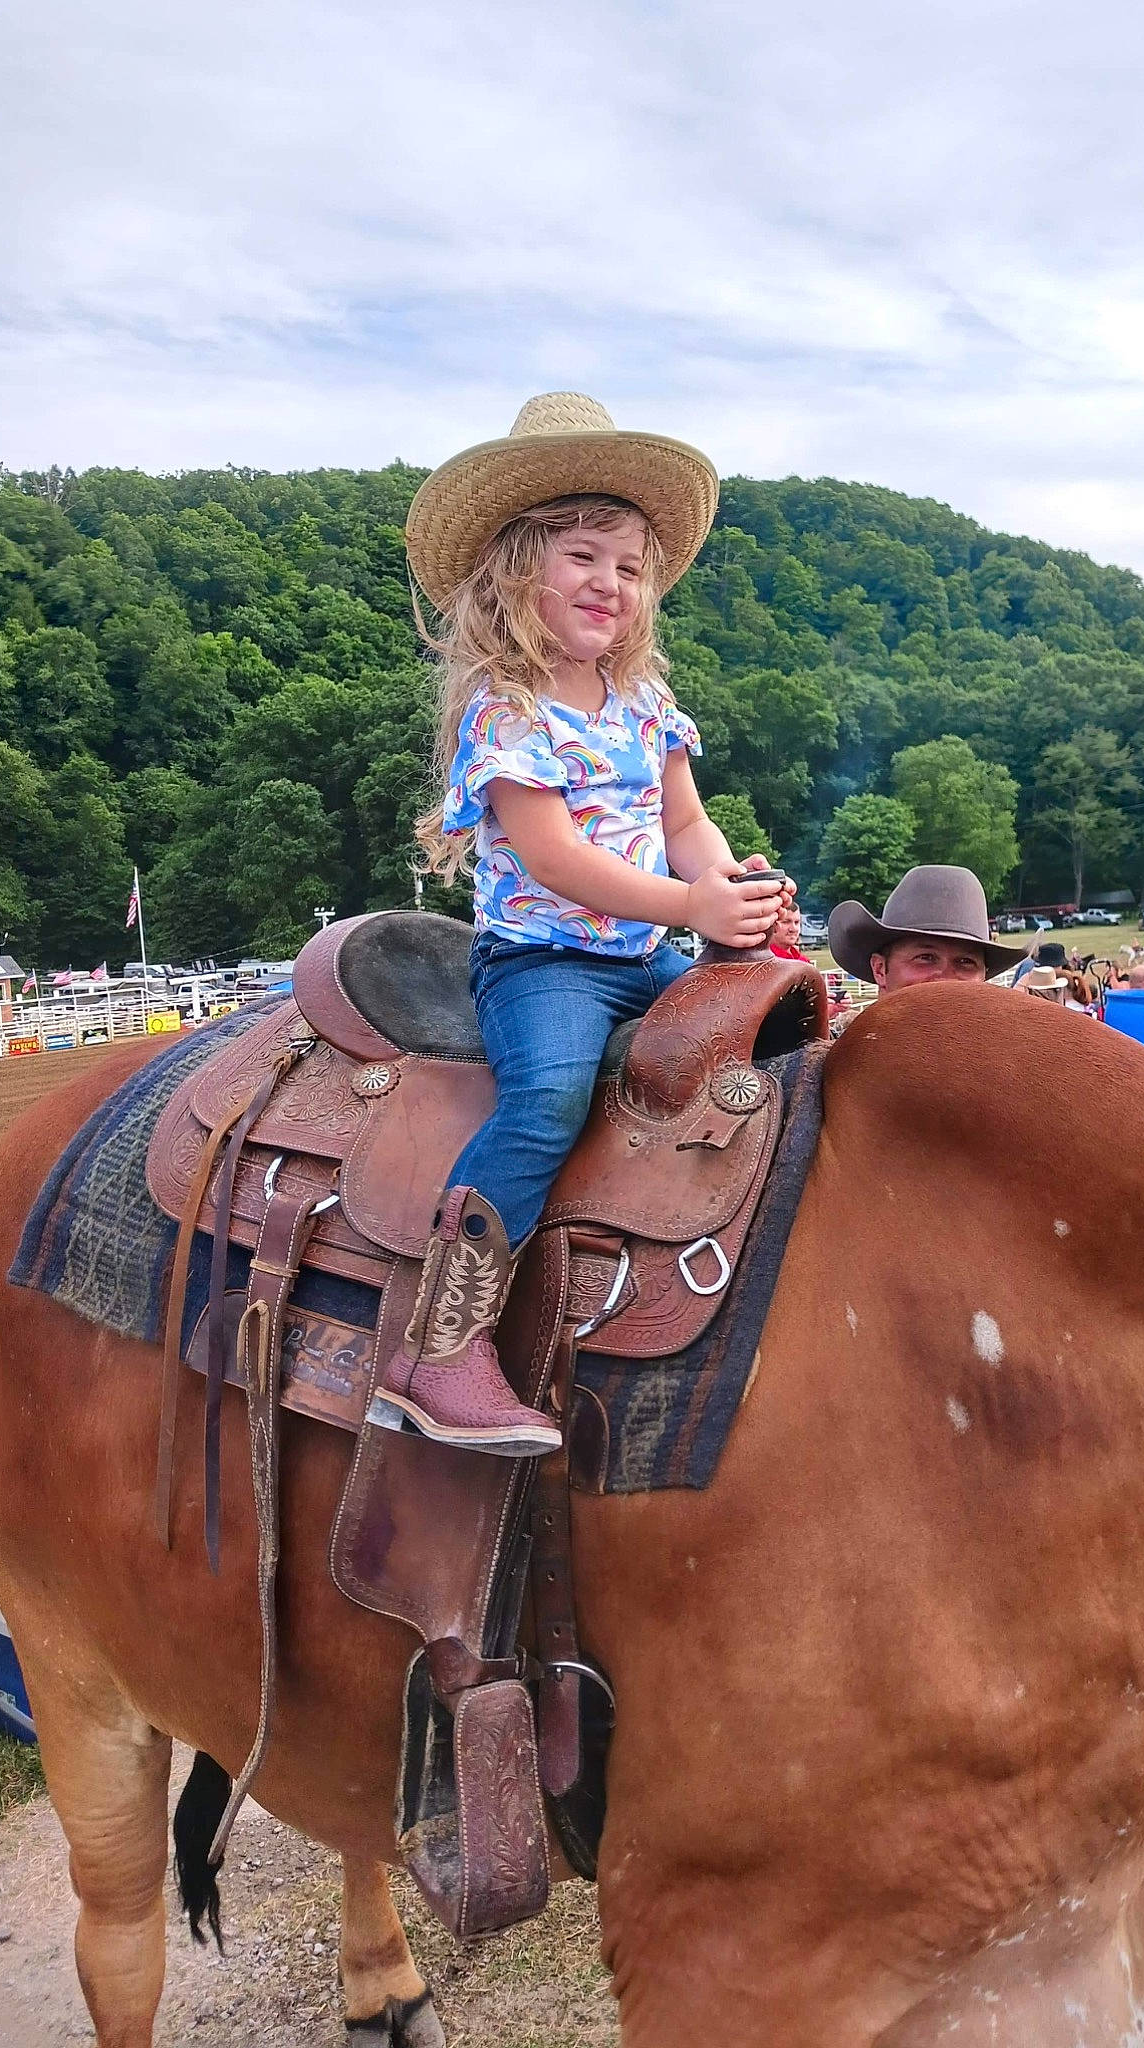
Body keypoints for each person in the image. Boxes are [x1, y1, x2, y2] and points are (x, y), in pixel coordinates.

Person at [369, 392, 789, 1455]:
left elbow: (684, 823)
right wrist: (690, 904)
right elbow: (557, 859)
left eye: (631, 565)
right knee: (550, 1095)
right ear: (519, 570)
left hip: (644, 949)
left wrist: (729, 883)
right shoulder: (505, 711)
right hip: (542, 960)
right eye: (584, 556)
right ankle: (440, 1339)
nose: (611, 582)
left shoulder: (646, 704)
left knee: (775, 1036)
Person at [828, 866, 1011, 995]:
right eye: (926, 957)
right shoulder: (849, 1050)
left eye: (966, 961)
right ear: (880, 969)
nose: (946, 980)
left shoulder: (1005, 1049)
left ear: (983, 977)